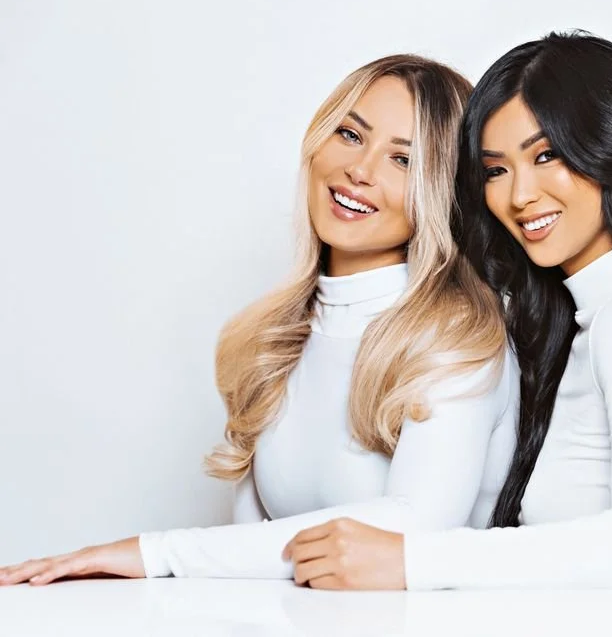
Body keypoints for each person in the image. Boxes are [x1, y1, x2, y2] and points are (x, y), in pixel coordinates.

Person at [281, 32, 612, 590]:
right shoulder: (583, 323)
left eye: (545, 156)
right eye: (496, 170)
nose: (519, 196)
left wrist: (412, 561)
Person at [0, 54, 518, 588]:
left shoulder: (458, 340)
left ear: (442, 191)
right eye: (349, 134)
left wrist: (157, 553)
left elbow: (416, 529)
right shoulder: (267, 342)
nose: (360, 171)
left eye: (403, 160)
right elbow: (247, 563)